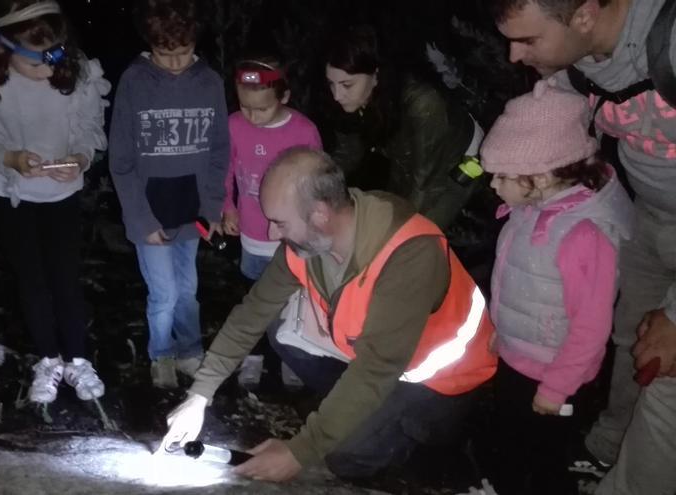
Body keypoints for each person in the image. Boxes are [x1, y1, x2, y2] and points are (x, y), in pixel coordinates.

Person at [160, 147, 497, 482]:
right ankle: (352, 412)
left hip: (443, 380)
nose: (272, 234)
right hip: (378, 356)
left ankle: (420, 441)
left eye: (279, 222)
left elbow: (376, 368)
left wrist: (301, 450)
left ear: (320, 213)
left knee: (345, 457)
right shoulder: (311, 239)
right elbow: (253, 313)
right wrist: (199, 394)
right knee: (280, 328)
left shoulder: (409, 254)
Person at [488, 1, 676, 493]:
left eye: (528, 40)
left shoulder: (667, 43)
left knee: (665, 379)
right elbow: (545, 131)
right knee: (628, 340)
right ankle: (605, 449)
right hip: (648, 217)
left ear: (585, 16)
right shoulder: (577, 65)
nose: (512, 56)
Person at [0, 0, 108, 403]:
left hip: (62, 192)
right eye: (37, 61)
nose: (49, 68)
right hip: (7, 191)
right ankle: (48, 361)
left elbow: (90, 124)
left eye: (55, 54)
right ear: (2, 47)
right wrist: (9, 158)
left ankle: (77, 359)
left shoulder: (77, 66)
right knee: (32, 278)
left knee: (66, 276)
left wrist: (82, 157)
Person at [481, 80, 632, 494]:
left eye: (503, 176)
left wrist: (557, 388)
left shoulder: (584, 235)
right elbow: (517, 278)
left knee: (546, 459)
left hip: (556, 375)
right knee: (509, 441)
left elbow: (591, 326)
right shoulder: (530, 207)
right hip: (517, 358)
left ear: (543, 175)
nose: (493, 185)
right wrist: (503, 330)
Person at [109, 0, 229, 389]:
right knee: (163, 293)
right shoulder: (134, 81)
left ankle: (190, 351)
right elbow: (121, 161)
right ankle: (160, 355)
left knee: (188, 289)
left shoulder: (210, 82)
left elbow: (218, 151)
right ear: (150, 46)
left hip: (192, 208)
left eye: (184, 54)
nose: (177, 64)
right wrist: (140, 219)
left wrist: (212, 207)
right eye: (166, 55)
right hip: (150, 211)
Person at [323, 25, 485, 231]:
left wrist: (403, 230)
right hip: (406, 157)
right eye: (331, 84)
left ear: (376, 74)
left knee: (414, 235)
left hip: (457, 162)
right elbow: (349, 152)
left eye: (347, 85)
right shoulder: (356, 99)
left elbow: (425, 181)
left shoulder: (423, 103)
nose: (337, 95)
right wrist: (318, 183)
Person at [224, 57, 322, 281]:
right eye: (244, 107)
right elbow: (225, 168)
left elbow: (317, 182)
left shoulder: (304, 132)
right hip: (251, 234)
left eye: (262, 108)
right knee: (256, 292)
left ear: (284, 97)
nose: (252, 116)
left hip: (293, 238)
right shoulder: (234, 125)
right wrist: (228, 206)